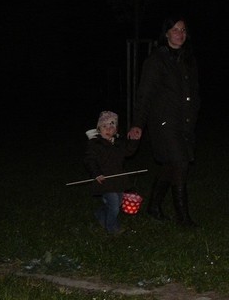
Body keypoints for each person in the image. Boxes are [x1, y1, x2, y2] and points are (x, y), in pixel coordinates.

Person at [128, 16, 200, 227]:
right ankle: (183, 218)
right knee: (181, 163)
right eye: (175, 29)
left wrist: (194, 111)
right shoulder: (156, 60)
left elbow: (194, 91)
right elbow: (145, 94)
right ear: (166, 33)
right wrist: (138, 123)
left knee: (171, 165)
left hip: (184, 122)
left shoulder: (188, 59)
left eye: (183, 30)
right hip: (164, 123)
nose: (180, 33)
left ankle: (153, 207)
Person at [84, 111, 139, 234]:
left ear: (116, 130)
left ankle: (100, 214)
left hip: (118, 180)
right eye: (104, 126)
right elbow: (89, 160)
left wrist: (134, 141)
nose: (108, 129)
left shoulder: (118, 143)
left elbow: (129, 152)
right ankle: (112, 228)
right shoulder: (95, 144)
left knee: (117, 203)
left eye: (112, 126)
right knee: (114, 206)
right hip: (104, 181)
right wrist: (96, 173)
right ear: (99, 129)